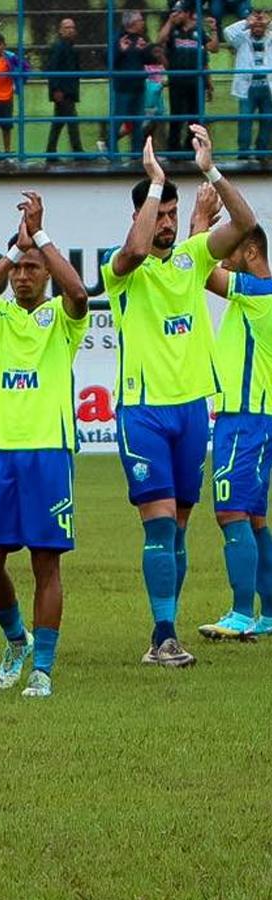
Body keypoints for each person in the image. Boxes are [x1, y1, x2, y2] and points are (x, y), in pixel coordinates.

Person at [102, 128, 256, 667]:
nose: (166, 223)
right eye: (157, 212)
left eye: (172, 213)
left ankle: (164, 631)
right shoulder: (120, 268)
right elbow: (136, 248)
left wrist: (211, 170)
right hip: (142, 412)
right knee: (160, 521)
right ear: (143, 212)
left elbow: (245, 225)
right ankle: (163, 634)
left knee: (181, 527)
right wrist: (156, 184)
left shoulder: (192, 259)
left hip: (192, 410)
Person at [0, 192, 89, 699]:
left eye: (32, 269)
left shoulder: (61, 319)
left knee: (45, 561)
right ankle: (16, 640)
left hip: (48, 452)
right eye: (18, 270)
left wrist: (40, 237)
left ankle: (42, 667)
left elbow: (80, 294)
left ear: (47, 273)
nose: (22, 277)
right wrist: (15, 249)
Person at [187, 187, 272, 638]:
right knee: (255, 517)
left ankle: (241, 615)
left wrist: (200, 218)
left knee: (231, 514)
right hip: (257, 418)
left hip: (244, 418)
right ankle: (269, 612)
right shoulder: (259, 297)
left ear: (251, 250)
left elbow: (199, 269)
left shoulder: (259, 291)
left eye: (232, 246)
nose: (224, 253)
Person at [158, 4, 218, 154]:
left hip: (196, 81)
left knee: (195, 118)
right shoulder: (173, 30)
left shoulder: (198, 31)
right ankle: (174, 151)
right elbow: (159, 41)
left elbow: (213, 48)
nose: (174, 15)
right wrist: (170, 22)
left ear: (186, 13)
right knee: (176, 116)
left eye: (177, 13)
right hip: (177, 80)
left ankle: (191, 150)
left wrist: (214, 30)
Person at [224, 11, 272, 159]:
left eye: (261, 24)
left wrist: (268, 21)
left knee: (267, 121)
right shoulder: (242, 39)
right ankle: (243, 154)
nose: (258, 26)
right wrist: (246, 22)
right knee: (245, 121)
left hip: (267, 87)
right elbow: (228, 32)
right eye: (255, 24)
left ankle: (261, 153)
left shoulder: (270, 37)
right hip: (247, 87)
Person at [112, 11, 152, 157]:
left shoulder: (141, 39)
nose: (143, 23)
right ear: (132, 23)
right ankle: (113, 154)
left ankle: (136, 155)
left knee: (137, 124)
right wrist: (121, 51)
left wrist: (146, 50)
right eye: (141, 20)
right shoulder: (119, 38)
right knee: (118, 121)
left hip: (138, 86)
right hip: (123, 87)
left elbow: (149, 60)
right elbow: (110, 61)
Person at [45, 17, 84, 160]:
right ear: (60, 30)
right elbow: (53, 68)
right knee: (71, 121)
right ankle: (78, 152)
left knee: (59, 122)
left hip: (68, 90)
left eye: (72, 27)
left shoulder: (69, 46)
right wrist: (56, 89)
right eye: (67, 28)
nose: (70, 30)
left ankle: (50, 153)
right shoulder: (59, 46)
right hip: (63, 91)